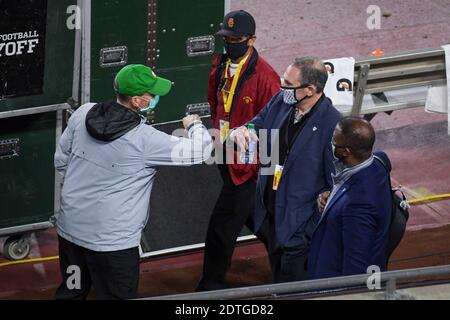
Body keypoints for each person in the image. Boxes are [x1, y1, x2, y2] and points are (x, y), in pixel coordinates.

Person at [54, 64, 212, 299]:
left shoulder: (83, 113)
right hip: (113, 247)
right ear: (137, 101)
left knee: (72, 290)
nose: (155, 97)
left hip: (71, 236)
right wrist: (195, 126)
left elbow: (60, 161)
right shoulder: (146, 140)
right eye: (152, 94)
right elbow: (201, 151)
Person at [231, 57, 341, 283]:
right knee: (277, 275)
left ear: (311, 89)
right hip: (271, 217)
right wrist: (243, 130)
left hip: (298, 230)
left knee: (290, 288)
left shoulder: (333, 125)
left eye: (289, 85)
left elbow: (335, 184)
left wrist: (306, 231)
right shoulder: (282, 101)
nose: (283, 89)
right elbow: (259, 122)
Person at [197, 10, 280, 291]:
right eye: (226, 37)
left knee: (221, 226)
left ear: (252, 39)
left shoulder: (267, 77)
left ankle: (211, 286)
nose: (230, 43)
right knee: (258, 220)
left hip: (248, 167)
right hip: (226, 155)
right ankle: (293, 268)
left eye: (236, 38)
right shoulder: (220, 64)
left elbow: (273, 124)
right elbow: (215, 102)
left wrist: (258, 165)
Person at [307, 117, 392, 279]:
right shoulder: (379, 162)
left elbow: (356, 266)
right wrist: (333, 195)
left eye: (334, 140)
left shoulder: (357, 205)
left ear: (346, 151)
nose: (330, 143)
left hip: (332, 282)